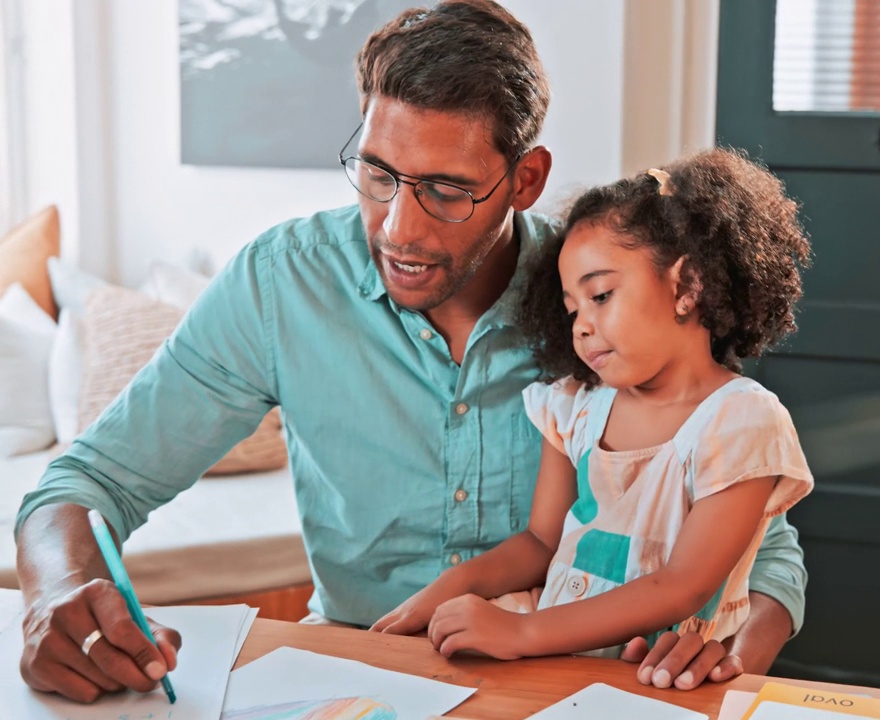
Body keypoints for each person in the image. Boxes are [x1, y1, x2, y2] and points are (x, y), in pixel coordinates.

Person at [13, 0, 808, 705]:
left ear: (525, 179)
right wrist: (59, 588)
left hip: (578, 684)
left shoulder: (603, 300)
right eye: (378, 174)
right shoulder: (281, 283)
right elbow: (87, 483)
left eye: (448, 190)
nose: (399, 228)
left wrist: (733, 641)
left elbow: (757, 535)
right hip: (356, 674)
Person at [371, 151, 814, 660]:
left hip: (658, 675)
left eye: (600, 295)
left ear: (687, 286)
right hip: (557, 663)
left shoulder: (740, 421)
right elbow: (541, 543)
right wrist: (447, 590)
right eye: (571, 308)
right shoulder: (575, 408)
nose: (580, 325)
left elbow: (683, 586)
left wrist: (522, 634)